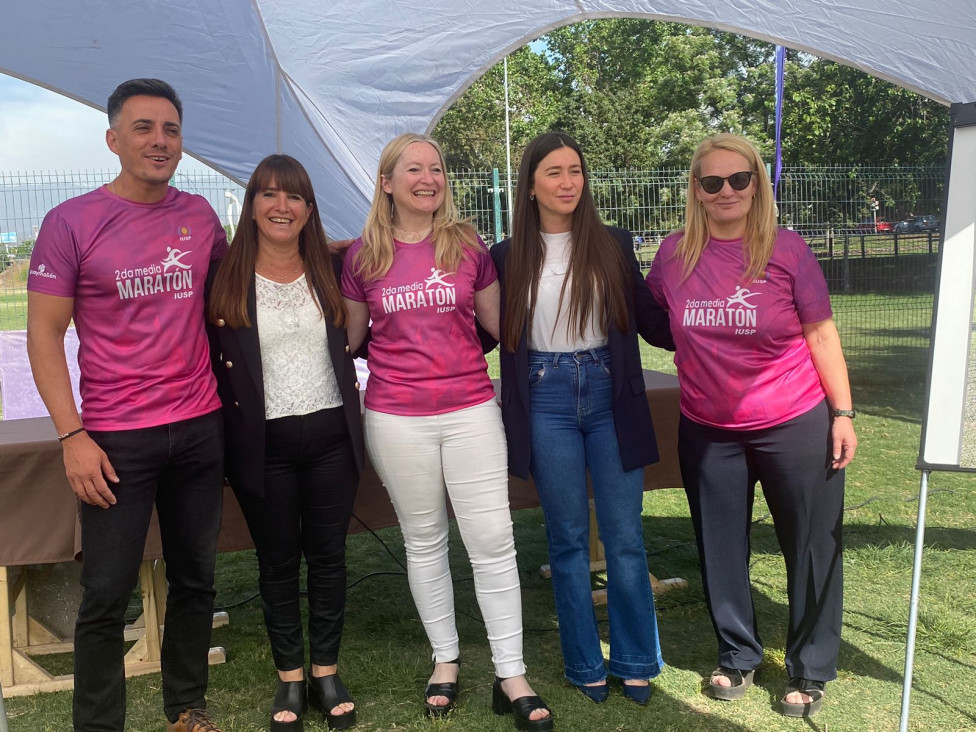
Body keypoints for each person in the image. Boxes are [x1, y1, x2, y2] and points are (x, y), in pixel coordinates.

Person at [26, 79, 227, 732]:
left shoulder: (199, 218)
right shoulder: (71, 223)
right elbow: (44, 335)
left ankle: (186, 709)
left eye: (170, 128)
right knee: (105, 594)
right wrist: (71, 436)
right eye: (144, 128)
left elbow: (241, 290)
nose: (159, 140)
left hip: (199, 428)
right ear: (114, 139)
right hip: (114, 440)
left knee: (196, 578)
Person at [340, 132, 552, 731]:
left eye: (436, 169)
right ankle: (446, 658)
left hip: (470, 411)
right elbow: (352, 340)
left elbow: (499, 325)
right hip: (395, 418)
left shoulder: (466, 244)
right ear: (387, 183)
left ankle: (511, 672)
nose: (428, 178)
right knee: (424, 540)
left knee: (493, 541)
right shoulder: (362, 256)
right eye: (414, 170)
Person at [646, 133, 856, 718]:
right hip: (709, 427)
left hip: (794, 421)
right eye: (711, 182)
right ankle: (737, 655)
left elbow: (820, 334)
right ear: (696, 190)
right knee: (720, 547)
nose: (726, 191)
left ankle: (810, 667)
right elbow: (658, 320)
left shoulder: (787, 251)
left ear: (758, 184)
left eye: (739, 179)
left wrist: (842, 412)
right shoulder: (673, 253)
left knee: (811, 546)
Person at [490, 132, 673, 706]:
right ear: (531, 184)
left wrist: (708, 306)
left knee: (624, 538)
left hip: (610, 394)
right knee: (567, 539)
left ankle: (637, 659)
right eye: (554, 172)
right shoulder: (506, 254)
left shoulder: (614, 244)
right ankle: (583, 661)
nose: (567, 182)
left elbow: (653, 321)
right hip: (545, 397)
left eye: (575, 171)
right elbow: (475, 330)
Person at [207, 154, 363, 731]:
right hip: (261, 445)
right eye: (269, 194)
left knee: (328, 558)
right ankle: (290, 676)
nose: (282, 206)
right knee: (276, 564)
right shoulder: (223, 278)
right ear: (251, 205)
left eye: (294, 196)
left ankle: (326, 669)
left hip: (331, 441)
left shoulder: (331, 268)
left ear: (308, 209)